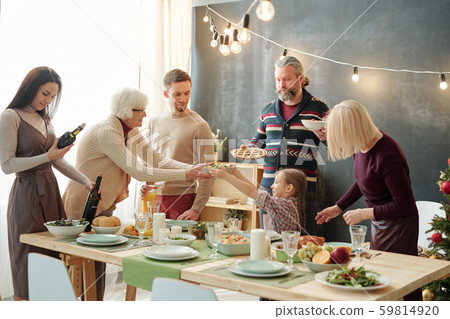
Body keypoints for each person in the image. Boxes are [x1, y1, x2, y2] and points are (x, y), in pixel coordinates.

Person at [62, 87, 210, 300]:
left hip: (104, 204)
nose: (145, 114)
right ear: (125, 111)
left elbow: (155, 159)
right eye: (140, 110)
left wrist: (193, 169)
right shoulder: (108, 131)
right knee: (81, 268)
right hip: (83, 203)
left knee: (96, 266)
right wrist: (187, 172)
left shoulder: (128, 130)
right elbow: (138, 170)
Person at [0, 67, 94, 300]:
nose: (48, 100)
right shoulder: (11, 116)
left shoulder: (45, 118)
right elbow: (7, 165)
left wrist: (84, 181)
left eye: (53, 96)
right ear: (30, 88)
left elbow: (56, 159)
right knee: (27, 260)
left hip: (50, 192)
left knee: (53, 256)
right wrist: (47, 157)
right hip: (26, 195)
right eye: (45, 93)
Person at [315, 100, 421, 301]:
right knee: (381, 281)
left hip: (399, 226)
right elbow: (363, 180)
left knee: (397, 284)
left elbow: (404, 205)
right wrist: (339, 207)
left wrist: (363, 214)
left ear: (352, 129)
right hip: (380, 222)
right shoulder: (361, 144)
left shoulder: (387, 155)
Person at [249, 56, 328, 235]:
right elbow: (257, 142)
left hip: (302, 192)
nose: (282, 85)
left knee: (302, 243)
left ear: (300, 79)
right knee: (268, 242)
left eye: (287, 79)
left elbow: (336, 145)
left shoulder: (318, 108)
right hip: (269, 190)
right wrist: (250, 149)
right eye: (278, 80)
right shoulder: (268, 110)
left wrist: (325, 137)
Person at [143, 69, 215, 220]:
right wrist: (148, 185)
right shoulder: (153, 122)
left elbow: (209, 172)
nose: (183, 99)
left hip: (183, 200)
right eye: (177, 94)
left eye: (187, 93)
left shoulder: (200, 125)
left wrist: (196, 209)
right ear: (166, 94)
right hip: (154, 198)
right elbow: (148, 161)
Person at [210, 167, 306, 234]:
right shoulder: (287, 203)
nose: (272, 186)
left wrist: (225, 176)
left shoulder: (282, 205)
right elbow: (255, 191)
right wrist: (236, 173)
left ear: (289, 188)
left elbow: (251, 191)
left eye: (276, 182)